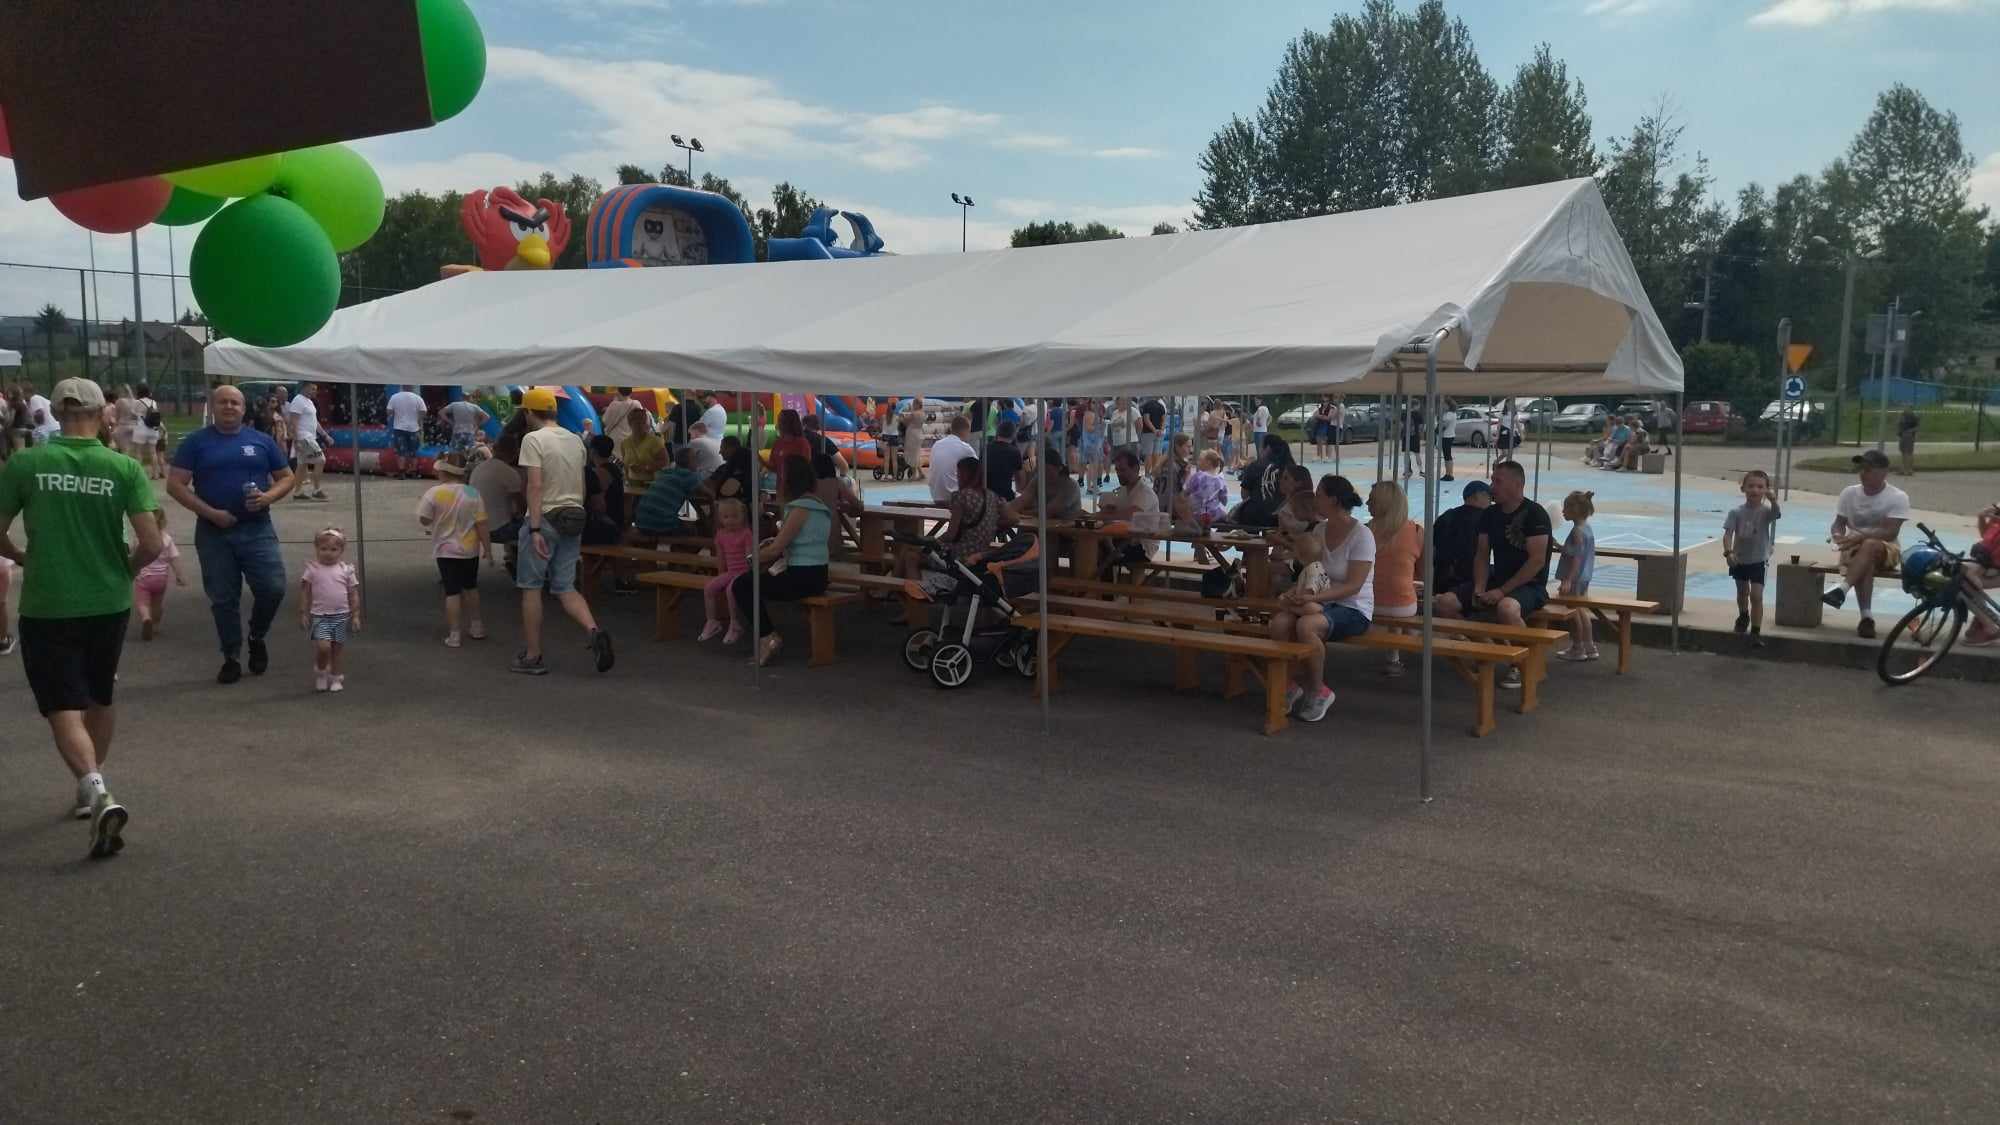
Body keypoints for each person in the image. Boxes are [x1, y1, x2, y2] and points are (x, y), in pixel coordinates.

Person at [0, 377, 161, 857]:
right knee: (98, 693)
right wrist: (123, 571)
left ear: (54, 412)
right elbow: (152, 543)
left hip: (49, 601)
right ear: (102, 414)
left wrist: (23, 557)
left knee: (62, 704)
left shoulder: (26, 463)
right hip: (108, 601)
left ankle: (94, 786)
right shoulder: (122, 466)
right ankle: (91, 787)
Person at [168, 384, 296, 684]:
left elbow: (287, 478)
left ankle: (256, 635)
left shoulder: (261, 441)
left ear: (243, 408)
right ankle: (231, 657)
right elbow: (175, 485)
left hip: (257, 527)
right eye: (223, 402)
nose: (229, 407)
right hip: (213, 532)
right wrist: (211, 513)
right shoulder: (196, 442)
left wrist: (267, 497)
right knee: (223, 599)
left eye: (234, 403)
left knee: (273, 587)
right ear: (213, 407)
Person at [512, 386, 613, 674]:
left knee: (531, 587)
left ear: (529, 412)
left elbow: (534, 485)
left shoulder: (533, 439)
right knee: (566, 587)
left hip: (544, 518)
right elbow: (581, 483)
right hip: (573, 517)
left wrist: (533, 528)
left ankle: (533, 656)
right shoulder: (575, 440)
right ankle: (593, 631)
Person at [1434, 460, 1550, 688]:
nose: (1492, 486)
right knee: (1445, 603)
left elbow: (1537, 561)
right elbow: (1482, 554)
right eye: (1492, 480)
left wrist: (1502, 591)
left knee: (1507, 608)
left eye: (1498, 481)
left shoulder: (1535, 514)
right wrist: (1479, 587)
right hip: (1498, 580)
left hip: (1530, 584)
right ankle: (1490, 649)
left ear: (1517, 485)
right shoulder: (1489, 514)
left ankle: (1523, 665)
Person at [1270, 475, 1374, 723]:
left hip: (1354, 607)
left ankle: (1318, 690)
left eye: (1319, 495)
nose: (1314, 499)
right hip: (1322, 601)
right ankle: (1288, 684)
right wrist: (1297, 591)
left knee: (1307, 625)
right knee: (1280, 622)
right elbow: (1312, 571)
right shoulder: (1319, 529)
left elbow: (1354, 586)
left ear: (1334, 500)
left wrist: (1313, 597)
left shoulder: (1362, 535)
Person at [732, 455, 831, 666]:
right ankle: (766, 635)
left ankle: (768, 636)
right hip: (817, 574)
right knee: (751, 582)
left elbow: (776, 549)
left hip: (803, 576)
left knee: (742, 585)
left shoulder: (800, 508)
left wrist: (750, 558)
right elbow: (800, 540)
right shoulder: (818, 505)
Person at [1821, 448, 1910, 639]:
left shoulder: (1898, 497)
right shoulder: (1849, 493)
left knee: (1869, 545)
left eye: (1868, 469)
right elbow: (1839, 522)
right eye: (1861, 468)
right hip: (1854, 549)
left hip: (1887, 549)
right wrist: (1837, 535)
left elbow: (1890, 532)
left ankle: (1843, 588)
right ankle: (1866, 618)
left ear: (1884, 472)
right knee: (1865, 560)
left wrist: (1860, 537)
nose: (1863, 473)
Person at [417, 452, 490, 648]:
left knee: (452, 592)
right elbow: (482, 523)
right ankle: (477, 626)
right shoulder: (473, 493)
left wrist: (435, 519)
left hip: (445, 550)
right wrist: (487, 549)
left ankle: (455, 634)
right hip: (470, 549)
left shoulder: (434, 493)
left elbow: (424, 519)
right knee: (471, 587)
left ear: (443, 472)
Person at [1367, 481, 1422, 677]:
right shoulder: (1416, 531)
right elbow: (1423, 572)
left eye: (1371, 500)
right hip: (1403, 606)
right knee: (1403, 592)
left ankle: (1395, 655)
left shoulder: (1365, 531)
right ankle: (1395, 655)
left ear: (1382, 504)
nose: (1366, 503)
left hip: (1369, 603)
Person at [297, 527, 362, 692]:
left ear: (341, 550)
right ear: (316, 548)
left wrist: (356, 615)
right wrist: (303, 613)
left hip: (341, 615)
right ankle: (321, 671)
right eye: (323, 549)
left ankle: (335, 677)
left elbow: (353, 593)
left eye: (334, 549)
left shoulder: (346, 570)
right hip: (320, 616)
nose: (328, 553)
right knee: (324, 647)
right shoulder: (313, 569)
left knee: (336, 650)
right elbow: (304, 591)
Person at [1722, 469, 1781, 647]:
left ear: (1766, 490)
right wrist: (1728, 552)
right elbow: (1728, 534)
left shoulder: (1766, 511)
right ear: (1743, 489)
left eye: (1760, 487)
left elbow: (1776, 514)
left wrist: (1773, 500)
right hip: (1739, 559)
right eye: (1751, 486)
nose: (1755, 490)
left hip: (1759, 560)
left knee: (1756, 595)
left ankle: (1755, 632)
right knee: (1742, 592)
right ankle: (1743, 614)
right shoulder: (1736, 512)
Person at [470, 416, 527, 567]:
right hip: (497, 529)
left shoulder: (478, 468)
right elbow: (522, 507)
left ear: (493, 449)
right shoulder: (509, 473)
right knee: (536, 527)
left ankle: (512, 557)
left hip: (475, 524)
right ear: (516, 453)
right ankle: (522, 565)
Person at [698, 498, 756, 644]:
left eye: (735, 516)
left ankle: (735, 624)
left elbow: (750, 557)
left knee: (731, 590)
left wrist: (750, 575)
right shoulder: (720, 534)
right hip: (730, 572)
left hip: (744, 572)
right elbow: (721, 557)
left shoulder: (746, 533)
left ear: (742, 516)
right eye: (726, 517)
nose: (730, 520)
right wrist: (720, 575)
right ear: (720, 518)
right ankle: (712, 621)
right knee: (709, 587)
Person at [1553, 490, 1600, 661]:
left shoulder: (1576, 532)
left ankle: (1577, 648)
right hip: (1584, 577)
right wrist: (1558, 545)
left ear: (1575, 510)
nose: (1562, 511)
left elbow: (1576, 558)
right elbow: (1573, 552)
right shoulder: (1587, 528)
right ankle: (1590, 646)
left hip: (1574, 578)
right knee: (1581, 610)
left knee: (1573, 613)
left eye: (1565, 508)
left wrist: (1568, 580)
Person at [132, 508, 186, 642]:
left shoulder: (140, 538)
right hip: (161, 579)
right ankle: (155, 626)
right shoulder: (167, 539)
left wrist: (132, 569)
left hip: (144, 579)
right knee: (157, 604)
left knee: (142, 602)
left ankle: (146, 618)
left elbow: (134, 556)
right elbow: (174, 557)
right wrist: (179, 575)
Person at [1430, 479, 1492, 595]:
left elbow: (1431, 548)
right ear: (1478, 496)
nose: (1490, 504)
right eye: (1489, 499)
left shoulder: (1446, 516)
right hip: (1469, 583)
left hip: (1439, 581)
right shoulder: (1485, 519)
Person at [633, 446, 707, 538]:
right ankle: (693, 542)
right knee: (691, 518)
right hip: (662, 527)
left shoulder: (664, 473)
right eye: (695, 458)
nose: (697, 461)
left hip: (641, 522)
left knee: (687, 506)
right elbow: (709, 494)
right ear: (691, 462)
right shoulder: (690, 476)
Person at [1003, 450, 1085, 526]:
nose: (1043, 473)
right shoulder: (1038, 480)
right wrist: (1005, 509)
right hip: (1045, 525)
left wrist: (1018, 512)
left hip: (1067, 529)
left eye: (1047, 470)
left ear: (1059, 468)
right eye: (1040, 469)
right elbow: (1022, 500)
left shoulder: (1070, 486)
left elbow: (1048, 512)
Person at [618, 408, 667, 525]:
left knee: (646, 517)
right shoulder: (625, 443)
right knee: (629, 515)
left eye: (642, 420)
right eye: (636, 420)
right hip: (632, 487)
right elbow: (625, 464)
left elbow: (665, 461)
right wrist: (626, 478)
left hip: (651, 487)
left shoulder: (655, 441)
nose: (639, 423)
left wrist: (646, 467)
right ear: (630, 423)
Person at [285, 382, 332, 501]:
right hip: (304, 437)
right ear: (304, 388)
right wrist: (296, 440)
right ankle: (316, 490)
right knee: (321, 460)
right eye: (312, 389)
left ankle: (297, 492)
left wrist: (325, 435)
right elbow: (293, 422)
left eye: (315, 389)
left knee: (302, 464)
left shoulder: (309, 402)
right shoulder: (298, 400)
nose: (315, 391)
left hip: (308, 437)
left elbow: (315, 422)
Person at [926, 414, 977, 505]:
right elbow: (979, 470)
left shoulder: (937, 444)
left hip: (935, 495)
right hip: (953, 497)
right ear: (965, 431)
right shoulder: (965, 448)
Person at [768, 408, 814, 499]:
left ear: (789, 423)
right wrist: (758, 458)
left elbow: (805, 468)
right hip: (781, 489)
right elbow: (774, 467)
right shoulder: (778, 443)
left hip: (797, 490)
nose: (778, 423)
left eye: (781, 420)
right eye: (779, 420)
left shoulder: (802, 443)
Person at [386, 384, 428, 479]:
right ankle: (414, 472)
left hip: (399, 428)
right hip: (414, 428)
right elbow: (424, 411)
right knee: (413, 452)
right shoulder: (417, 398)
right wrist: (418, 419)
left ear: (402, 387)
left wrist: (396, 413)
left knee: (401, 452)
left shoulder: (395, 397)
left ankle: (402, 473)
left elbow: (389, 411)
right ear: (412, 387)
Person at [129, 382, 163, 479]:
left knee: (138, 452)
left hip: (141, 429)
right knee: (153, 452)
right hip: (153, 429)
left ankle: (140, 475)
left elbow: (133, 414)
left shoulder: (137, 402)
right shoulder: (153, 402)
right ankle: (155, 474)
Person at [985, 420, 1023, 500]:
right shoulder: (1015, 452)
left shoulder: (986, 448)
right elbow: (1019, 478)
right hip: (1005, 497)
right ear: (1013, 435)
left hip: (986, 495)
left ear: (998, 432)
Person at [899, 396, 928, 480]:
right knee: (916, 453)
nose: (913, 405)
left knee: (912, 454)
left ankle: (914, 474)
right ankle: (921, 473)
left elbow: (905, 422)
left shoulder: (914, 413)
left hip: (912, 434)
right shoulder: (923, 413)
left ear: (917, 404)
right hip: (919, 433)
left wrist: (901, 417)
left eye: (914, 404)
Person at [1433, 398, 1458, 482]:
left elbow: (1443, 425)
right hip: (1449, 435)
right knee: (1447, 455)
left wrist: (1436, 430)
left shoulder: (1449, 414)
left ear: (1448, 405)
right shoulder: (1451, 414)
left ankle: (1449, 474)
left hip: (1447, 436)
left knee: (1447, 455)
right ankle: (1449, 473)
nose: (1443, 406)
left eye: (1444, 404)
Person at [1897, 406, 1920, 475]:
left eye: (1906, 407)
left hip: (1908, 436)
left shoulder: (1913, 417)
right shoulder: (1903, 415)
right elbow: (1900, 425)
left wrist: (1910, 432)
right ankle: (1903, 469)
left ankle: (1909, 470)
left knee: (1909, 453)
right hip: (1902, 436)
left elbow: (1917, 427)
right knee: (1903, 453)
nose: (1904, 408)